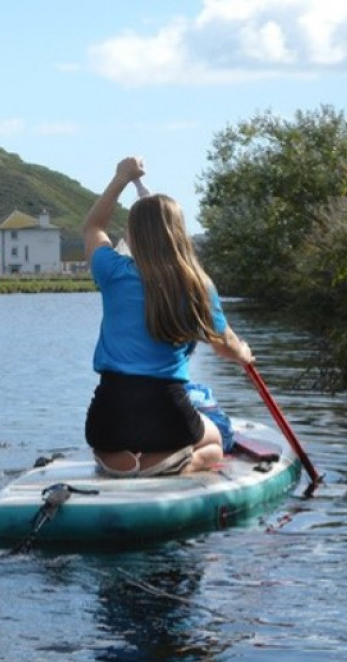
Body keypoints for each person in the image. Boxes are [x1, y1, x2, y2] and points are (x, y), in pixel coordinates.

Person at [82, 156, 254, 477]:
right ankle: (166, 464)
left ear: (132, 237)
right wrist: (243, 353)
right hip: (167, 415)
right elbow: (225, 346)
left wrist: (120, 178)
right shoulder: (198, 285)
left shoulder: (112, 271)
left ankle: (119, 461)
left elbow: (94, 226)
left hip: (107, 418)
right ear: (179, 234)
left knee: (109, 439)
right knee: (217, 441)